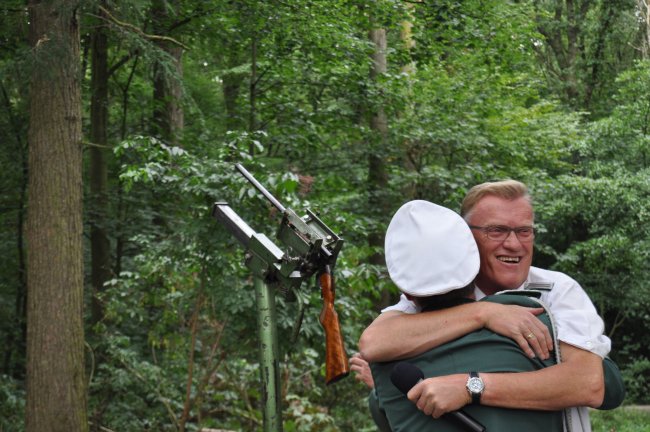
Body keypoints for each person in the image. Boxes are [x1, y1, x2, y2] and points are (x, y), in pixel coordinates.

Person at [358, 180, 624, 431]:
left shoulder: (556, 289)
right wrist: (483, 312)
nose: (513, 244)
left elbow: (589, 384)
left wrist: (471, 386)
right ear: (466, 237)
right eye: (496, 230)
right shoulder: (435, 287)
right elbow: (373, 343)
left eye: (524, 231)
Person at [372, 199, 567, 431]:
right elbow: (599, 386)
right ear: (476, 269)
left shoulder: (386, 364)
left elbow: (384, 414)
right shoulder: (532, 319)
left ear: (407, 293)